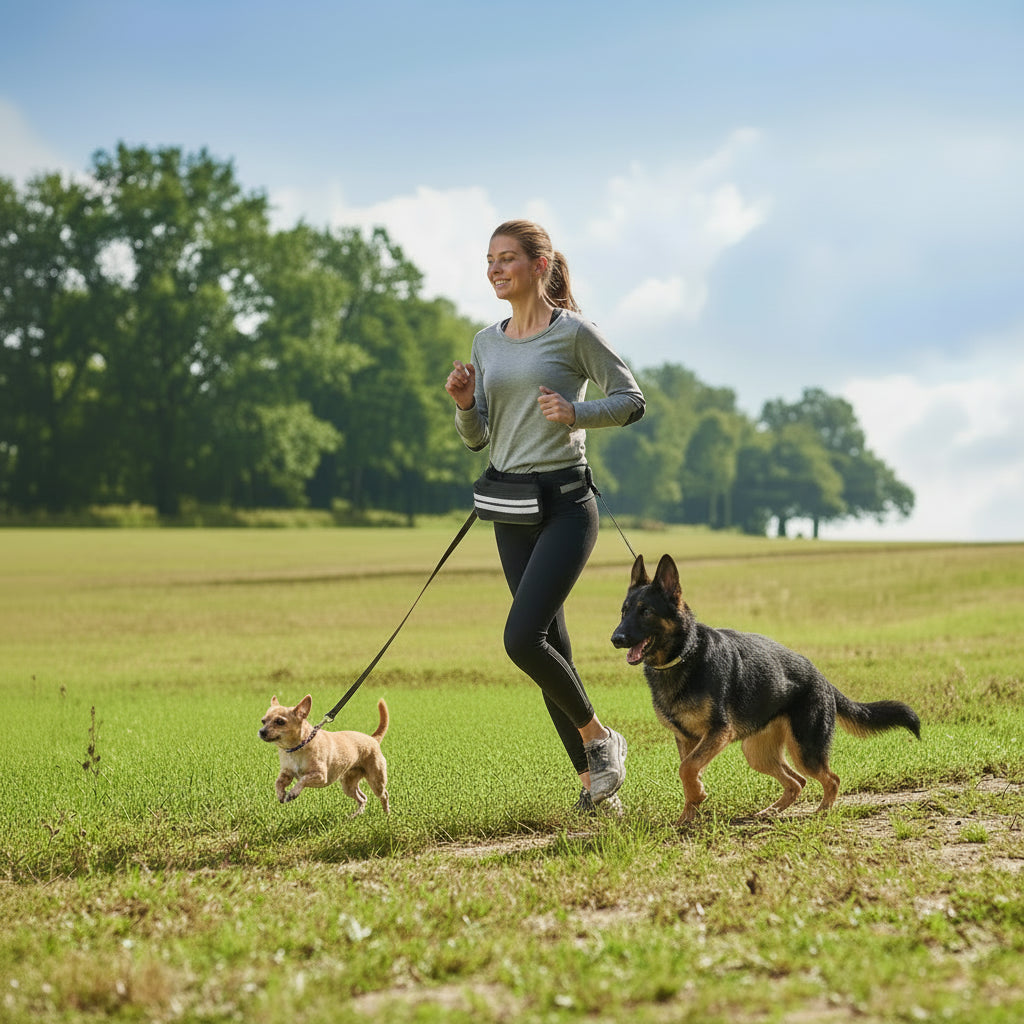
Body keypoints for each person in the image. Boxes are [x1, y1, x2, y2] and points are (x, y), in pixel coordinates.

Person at [445, 219, 645, 814]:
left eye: (507, 258)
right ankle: (594, 787)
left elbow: (632, 400)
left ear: (540, 265)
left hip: (565, 506)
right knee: (550, 648)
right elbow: (479, 437)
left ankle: (601, 740)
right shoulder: (487, 341)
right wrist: (462, 406)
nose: (495, 269)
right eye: (489, 259)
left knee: (521, 638)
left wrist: (575, 414)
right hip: (511, 508)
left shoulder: (573, 333)